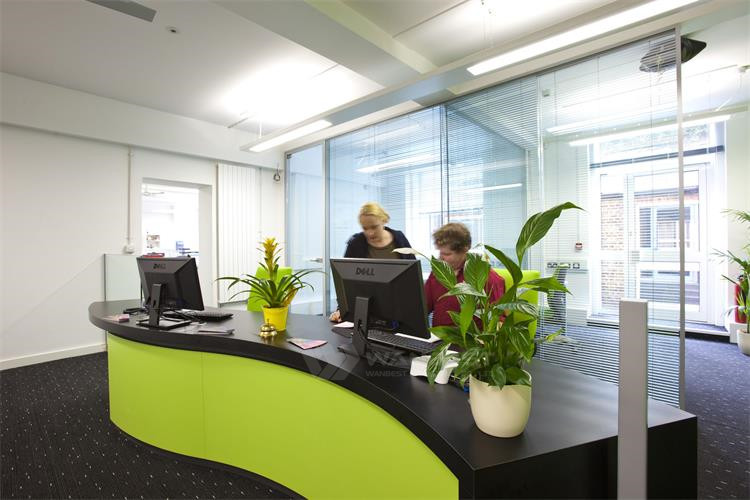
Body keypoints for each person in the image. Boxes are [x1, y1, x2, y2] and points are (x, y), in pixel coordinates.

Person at [329, 202, 414, 322]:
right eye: (365, 228)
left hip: (398, 309)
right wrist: (341, 309)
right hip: (366, 309)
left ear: (384, 220)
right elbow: (345, 281)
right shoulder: (356, 243)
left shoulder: (399, 238)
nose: (370, 233)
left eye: (374, 227)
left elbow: (412, 275)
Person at [424, 222, 505, 327]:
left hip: (471, 341)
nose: (440, 258)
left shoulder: (487, 278)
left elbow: (498, 321)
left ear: (464, 250)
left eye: (447, 254)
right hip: (437, 340)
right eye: (440, 252)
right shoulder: (438, 272)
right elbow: (423, 307)